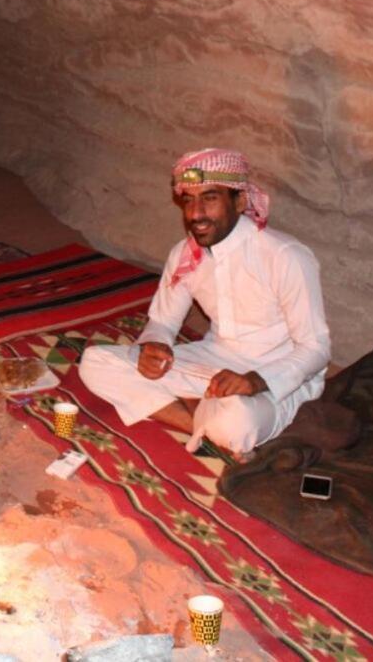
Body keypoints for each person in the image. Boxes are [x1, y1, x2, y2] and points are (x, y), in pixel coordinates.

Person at [79, 148, 330, 457]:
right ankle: (202, 427)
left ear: (239, 202)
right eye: (188, 200)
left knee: (238, 422)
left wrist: (256, 381)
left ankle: (214, 421)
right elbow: (163, 322)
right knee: (95, 363)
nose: (195, 214)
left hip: (276, 375)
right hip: (213, 362)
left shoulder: (285, 256)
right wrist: (153, 345)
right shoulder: (185, 254)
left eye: (209, 198)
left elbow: (316, 348)